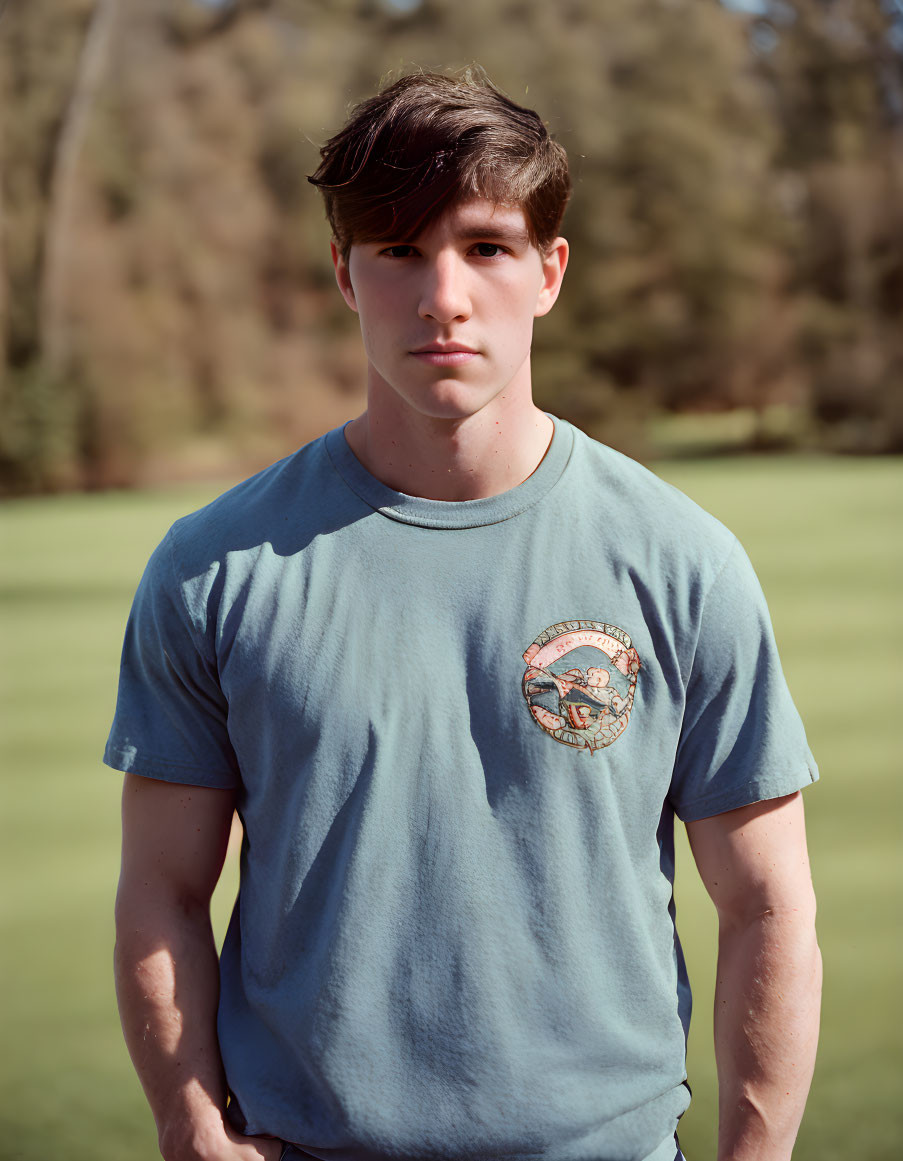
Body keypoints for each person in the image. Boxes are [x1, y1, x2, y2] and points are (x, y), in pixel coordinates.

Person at [107, 70, 821, 1161]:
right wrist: (193, 1127)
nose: (443, 294)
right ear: (346, 273)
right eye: (399, 249)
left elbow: (768, 905)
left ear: (549, 272)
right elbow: (162, 888)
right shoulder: (214, 570)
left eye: (485, 246)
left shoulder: (685, 566)